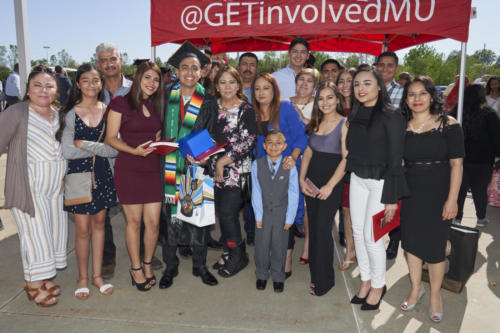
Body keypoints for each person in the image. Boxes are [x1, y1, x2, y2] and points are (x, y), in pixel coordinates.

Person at [0, 65, 67, 307]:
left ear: (56, 90)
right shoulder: (16, 112)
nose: (43, 90)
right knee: (34, 236)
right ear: (27, 89)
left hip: (55, 187)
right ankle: (33, 283)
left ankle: (45, 275)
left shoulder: (58, 113)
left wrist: (63, 178)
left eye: (49, 86)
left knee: (51, 233)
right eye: (37, 85)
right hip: (28, 185)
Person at [399, 77, 464, 323]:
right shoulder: (402, 126)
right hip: (410, 192)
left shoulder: (448, 124)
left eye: (422, 93)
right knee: (411, 243)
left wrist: (452, 199)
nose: (417, 99)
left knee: (436, 247)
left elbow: (457, 165)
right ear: (406, 100)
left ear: (431, 96)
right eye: (411, 95)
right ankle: (416, 287)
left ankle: (435, 295)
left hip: (439, 192)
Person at [346, 66, 408, 310]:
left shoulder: (391, 115)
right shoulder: (355, 113)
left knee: (373, 238)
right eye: (357, 84)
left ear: (379, 86)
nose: (361, 88)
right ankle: (365, 280)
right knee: (359, 234)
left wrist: (392, 197)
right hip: (358, 179)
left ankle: (378, 285)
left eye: (367, 83)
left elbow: (396, 158)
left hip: (382, 183)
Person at [159, 42, 219, 289]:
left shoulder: (208, 101)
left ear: (202, 72)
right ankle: (170, 267)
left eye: (195, 68)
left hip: (197, 167)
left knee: (199, 221)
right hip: (170, 167)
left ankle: (199, 266)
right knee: (171, 219)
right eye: (184, 67)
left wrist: (206, 156)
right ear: (177, 70)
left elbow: (213, 135)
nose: (189, 73)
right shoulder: (164, 96)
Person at [58, 64, 118, 299]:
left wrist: (84, 144)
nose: (92, 84)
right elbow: (68, 152)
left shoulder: (110, 111)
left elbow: (114, 151)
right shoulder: (70, 113)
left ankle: (97, 276)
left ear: (101, 83)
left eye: (96, 80)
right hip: (77, 177)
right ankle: (82, 277)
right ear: (78, 84)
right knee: (82, 229)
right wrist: (99, 149)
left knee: (100, 224)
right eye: (86, 80)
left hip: (103, 174)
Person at [104, 61, 163, 291]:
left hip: (151, 168)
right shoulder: (121, 102)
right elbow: (110, 138)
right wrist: (134, 150)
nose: (152, 83)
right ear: (138, 78)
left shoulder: (156, 105)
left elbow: (156, 134)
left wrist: (161, 144)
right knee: (134, 222)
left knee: (153, 223)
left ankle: (148, 262)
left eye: (156, 80)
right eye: (147, 78)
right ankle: (136, 267)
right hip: (129, 167)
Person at [251, 72, 308, 279]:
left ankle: (286, 257)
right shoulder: (253, 113)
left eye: (266, 88)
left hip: (286, 169)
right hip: (264, 173)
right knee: (267, 214)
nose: (261, 92)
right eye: (257, 88)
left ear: (274, 90)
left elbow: (302, 135)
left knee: (286, 214)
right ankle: (268, 259)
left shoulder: (284, 108)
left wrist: (292, 157)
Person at [208, 66, 257, 278]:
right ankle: (229, 251)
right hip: (213, 170)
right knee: (222, 213)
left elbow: (247, 142)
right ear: (217, 86)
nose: (227, 86)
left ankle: (239, 255)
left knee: (228, 214)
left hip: (236, 171)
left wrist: (222, 163)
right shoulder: (212, 107)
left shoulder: (246, 110)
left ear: (238, 85)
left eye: (231, 82)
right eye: (222, 82)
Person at [300, 82, 347, 296]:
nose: (325, 102)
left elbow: (347, 159)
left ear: (337, 100)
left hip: (331, 183)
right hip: (311, 182)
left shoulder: (345, 124)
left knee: (322, 230)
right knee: (315, 230)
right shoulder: (315, 123)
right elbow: (308, 153)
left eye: (330, 97)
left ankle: (325, 280)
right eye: (321, 98)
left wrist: (330, 185)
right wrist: (302, 180)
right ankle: (316, 276)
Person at [252, 129, 299, 293]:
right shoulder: (257, 164)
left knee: (279, 246)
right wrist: (258, 215)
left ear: (284, 146)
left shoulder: (289, 166)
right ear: (264, 146)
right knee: (261, 246)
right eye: (270, 143)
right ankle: (261, 275)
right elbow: (256, 191)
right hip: (263, 212)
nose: (274, 146)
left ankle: (278, 276)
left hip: (282, 213)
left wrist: (289, 218)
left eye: (278, 143)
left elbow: (294, 193)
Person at [453, 84, 500, 228]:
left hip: (459, 158)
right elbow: (497, 137)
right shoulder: (490, 113)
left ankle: (457, 218)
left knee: (459, 190)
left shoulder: (458, 111)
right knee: (480, 190)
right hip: (483, 159)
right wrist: (497, 155)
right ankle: (480, 218)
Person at [374, 51, 405, 260]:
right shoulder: (368, 89)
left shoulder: (404, 93)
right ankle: (375, 239)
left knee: (393, 200)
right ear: (376, 66)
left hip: (393, 153)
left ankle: (394, 242)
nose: (385, 69)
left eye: (390, 65)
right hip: (373, 154)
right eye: (382, 65)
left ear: (396, 68)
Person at [237, 52, 259, 245]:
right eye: (245, 63)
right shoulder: (231, 89)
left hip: (255, 148)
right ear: (238, 66)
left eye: (252, 64)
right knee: (234, 193)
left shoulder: (261, 90)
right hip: (231, 150)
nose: (248, 68)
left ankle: (251, 229)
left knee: (251, 192)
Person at [336, 70, 356, 271]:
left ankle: (361, 249)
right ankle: (350, 250)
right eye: (341, 81)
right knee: (346, 211)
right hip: (338, 166)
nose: (345, 85)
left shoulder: (364, 108)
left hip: (359, 166)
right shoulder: (334, 106)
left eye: (349, 81)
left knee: (361, 213)